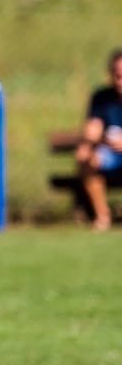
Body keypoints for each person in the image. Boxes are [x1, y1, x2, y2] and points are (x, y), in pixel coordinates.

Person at [75, 48, 122, 230]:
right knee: (86, 158)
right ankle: (103, 216)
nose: (120, 81)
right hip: (110, 153)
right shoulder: (101, 98)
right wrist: (103, 140)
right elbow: (92, 130)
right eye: (117, 75)